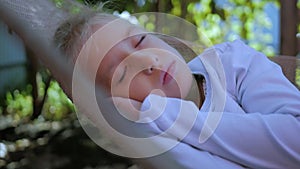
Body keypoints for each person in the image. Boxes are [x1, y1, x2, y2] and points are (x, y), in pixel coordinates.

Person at [54, 11, 300, 169]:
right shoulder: (152, 145)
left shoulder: (232, 63)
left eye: (140, 40)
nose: (148, 60)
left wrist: (166, 115)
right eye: (121, 74)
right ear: (115, 107)